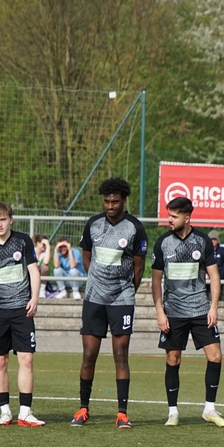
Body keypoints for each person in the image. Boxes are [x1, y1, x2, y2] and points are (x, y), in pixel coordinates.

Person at [72, 177, 148, 429]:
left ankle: (122, 413)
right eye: (106, 202)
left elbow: (139, 267)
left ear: (124, 201)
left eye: (114, 202)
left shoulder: (135, 228)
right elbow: (87, 257)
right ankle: (83, 408)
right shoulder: (93, 224)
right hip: (94, 299)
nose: (110, 206)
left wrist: (124, 290)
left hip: (122, 300)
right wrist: (97, 282)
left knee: (120, 355)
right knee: (89, 354)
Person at [151, 197, 224, 427]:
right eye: (169, 215)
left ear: (187, 217)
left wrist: (213, 307)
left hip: (201, 309)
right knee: (173, 358)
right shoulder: (162, 243)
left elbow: (214, 277)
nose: (169, 220)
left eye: (174, 216)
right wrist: (160, 312)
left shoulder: (202, 241)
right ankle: (173, 412)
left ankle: (209, 409)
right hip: (173, 311)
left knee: (216, 356)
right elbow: (156, 281)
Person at [0, 202, 44, 426]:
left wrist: (34, 298)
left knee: (27, 359)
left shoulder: (23, 241)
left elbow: (33, 270)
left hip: (22, 310)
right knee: (0, 361)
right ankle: (5, 411)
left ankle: (25, 412)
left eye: (3, 219)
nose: (0, 224)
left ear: (11, 220)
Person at [208, 230, 224, 302]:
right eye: (211, 239)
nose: (213, 241)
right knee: (202, 272)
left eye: (215, 239)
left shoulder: (223, 247)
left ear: (218, 240)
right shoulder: (206, 248)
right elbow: (202, 261)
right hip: (209, 271)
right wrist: (205, 273)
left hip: (220, 270)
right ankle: (206, 294)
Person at [33, 234, 52, 298]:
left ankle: (42, 290)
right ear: (38, 243)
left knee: (45, 268)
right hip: (33, 272)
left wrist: (48, 246)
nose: (44, 246)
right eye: (43, 244)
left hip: (41, 273)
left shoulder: (46, 252)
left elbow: (46, 262)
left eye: (45, 244)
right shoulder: (32, 251)